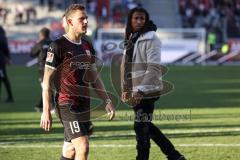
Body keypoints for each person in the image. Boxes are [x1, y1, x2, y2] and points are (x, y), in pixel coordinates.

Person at [40, 4, 115, 160]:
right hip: (67, 104)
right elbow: (46, 82)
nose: (86, 21)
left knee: (70, 150)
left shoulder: (87, 46)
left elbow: (93, 77)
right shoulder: (58, 46)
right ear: (69, 22)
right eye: (82, 19)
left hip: (84, 104)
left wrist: (106, 100)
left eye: (86, 18)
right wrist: (46, 110)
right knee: (83, 146)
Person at [121, 7, 186, 160]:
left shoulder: (152, 39)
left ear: (146, 20)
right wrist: (126, 88)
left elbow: (154, 67)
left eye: (142, 18)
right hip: (134, 89)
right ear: (130, 20)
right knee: (147, 126)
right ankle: (175, 156)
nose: (139, 21)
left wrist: (140, 90)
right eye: (136, 18)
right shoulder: (132, 38)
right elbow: (126, 66)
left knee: (141, 127)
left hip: (148, 90)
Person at [30, 27, 52, 112]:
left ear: (41, 34)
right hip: (52, 67)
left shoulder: (40, 43)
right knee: (49, 86)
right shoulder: (52, 43)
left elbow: (32, 53)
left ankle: (50, 107)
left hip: (42, 68)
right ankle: (41, 105)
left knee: (45, 87)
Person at [0, 25, 14, 102]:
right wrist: (8, 58)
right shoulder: (3, 37)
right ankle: (10, 96)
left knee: (3, 78)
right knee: (4, 78)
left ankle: (10, 97)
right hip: (2, 60)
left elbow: (5, 48)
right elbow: (5, 48)